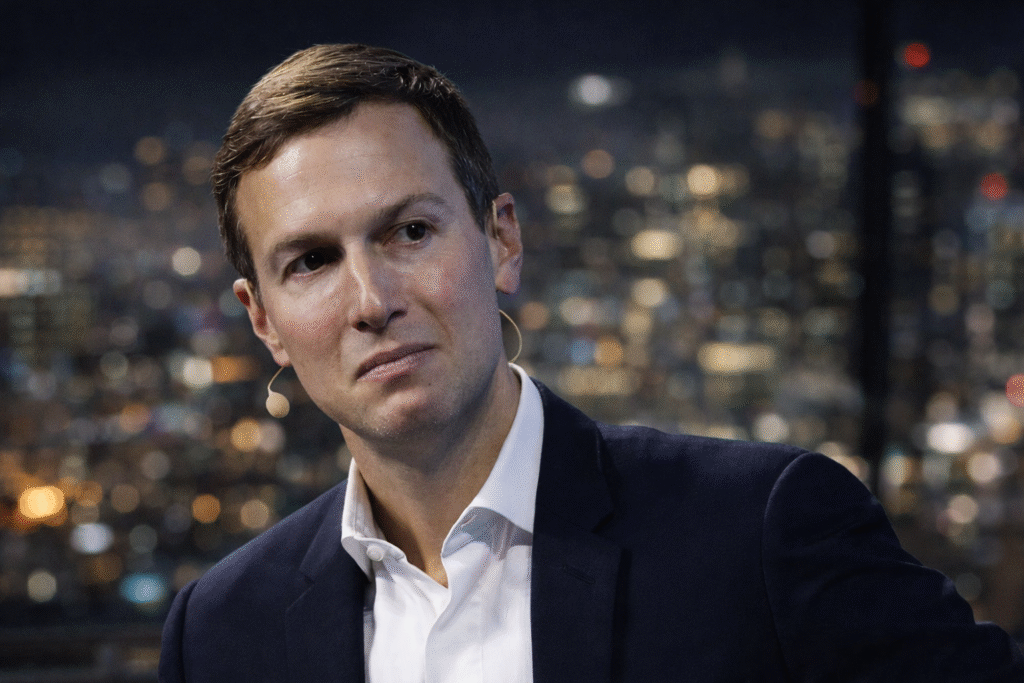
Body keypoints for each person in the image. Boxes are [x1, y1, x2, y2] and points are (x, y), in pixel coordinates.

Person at [159, 43, 1024, 682]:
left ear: (502, 239)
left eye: (409, 231)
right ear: (264, 320)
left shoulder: (759, 531)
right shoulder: (219, 633)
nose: (371, 300)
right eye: (310, 261)